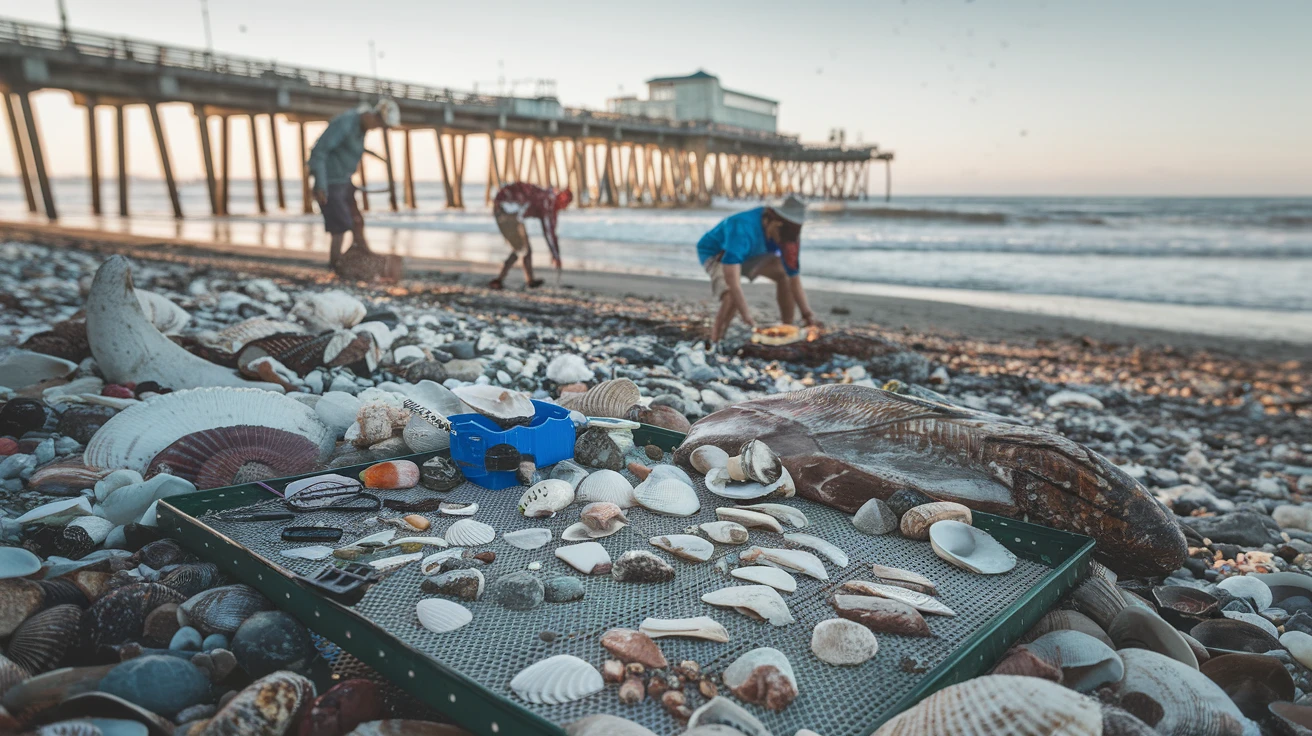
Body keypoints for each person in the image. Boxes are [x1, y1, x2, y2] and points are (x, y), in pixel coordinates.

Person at [697, 194, 821, 343]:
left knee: (784, 275)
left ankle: (787, 328)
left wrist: (807, 314)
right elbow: (732, 282)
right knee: (730, 296)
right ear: (773, 222)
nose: (785, 241)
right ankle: (716, 339)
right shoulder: (742, 228)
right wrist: (746, 316)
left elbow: (793, 277)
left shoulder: (789, 236)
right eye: (783, 233)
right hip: (718, 254)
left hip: (752, 255)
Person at [308, 98, 400, 270]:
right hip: (330, 183)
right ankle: (335, 264)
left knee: (357, 220)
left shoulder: (361, 128)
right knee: (340, 226)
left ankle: (364, 253)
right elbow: (319, 151)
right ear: (373, 116)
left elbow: (349, 147)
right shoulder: (345, 122)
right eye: (379, 124)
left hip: (345, 181)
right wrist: (320, 185)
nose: (377, 128)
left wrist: (373, 154)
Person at [489, 182, 572, 289]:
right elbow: (549, 231)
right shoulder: (548, 203)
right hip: (507, 211)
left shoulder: (546, 196)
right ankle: (500, 279)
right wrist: (556, 255)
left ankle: (528, 280)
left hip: (508, 209)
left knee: (523, 248)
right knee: (521, 248)